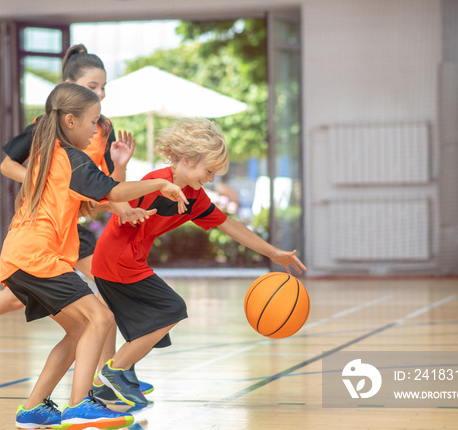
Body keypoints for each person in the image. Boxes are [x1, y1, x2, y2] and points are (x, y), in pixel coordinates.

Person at [0, 44, 154, 395]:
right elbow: (7, 166)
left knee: (23, 297)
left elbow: (107, 186)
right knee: (101, 299)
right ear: (69, 90)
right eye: (93, 86)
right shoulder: (46, 128)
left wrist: (122, 193)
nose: (101, 93)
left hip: (75, 221)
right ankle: (107, 378)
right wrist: (46, 182)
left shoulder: (102, 127)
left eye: (104, 87)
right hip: (44, 225)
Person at [0, 82, 188, 430]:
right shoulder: (71, 158)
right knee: (100, 315)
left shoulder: (47, 154)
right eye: (92, 122)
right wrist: (159, 184)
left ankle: (34, 407)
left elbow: (97, 200)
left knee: (79, 331)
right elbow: (113, 189)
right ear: (70, 121)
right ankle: (79, 403)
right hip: (37, 256)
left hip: (21, 257)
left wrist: (124, 207)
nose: (96, 130)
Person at [90, 118, 307, 406]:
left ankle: (107, 383)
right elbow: (117, 199)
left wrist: (272, 253)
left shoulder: (194, 197)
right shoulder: (156, 181)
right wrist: (120, 171)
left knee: (135, 319)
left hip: (127, 262)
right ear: (188, 159)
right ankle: (115, 371)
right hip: (117, 261)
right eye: (209, 171)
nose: (212, 179)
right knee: (171, 308)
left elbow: (228, 224)